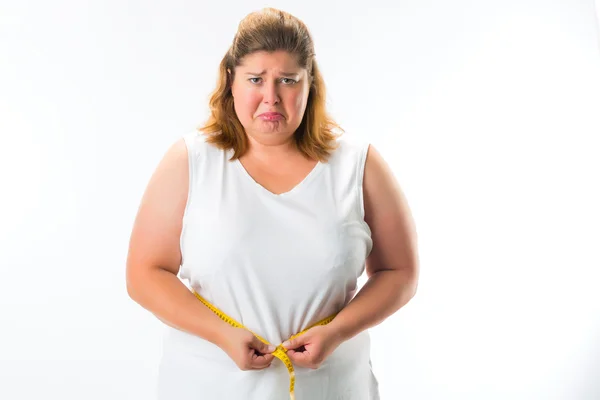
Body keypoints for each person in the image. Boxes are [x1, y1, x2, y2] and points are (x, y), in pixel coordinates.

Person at [126, 7, 419, 400]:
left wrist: (337, 331)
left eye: (287, 80)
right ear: (230, 81)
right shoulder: (191, 161)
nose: (271, 97)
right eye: (255, 79)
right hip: (206, 387)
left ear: (309, 83)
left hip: (333, 388)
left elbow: (399, 271)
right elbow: (145, 272)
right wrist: (222, 334)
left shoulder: (357, 164)